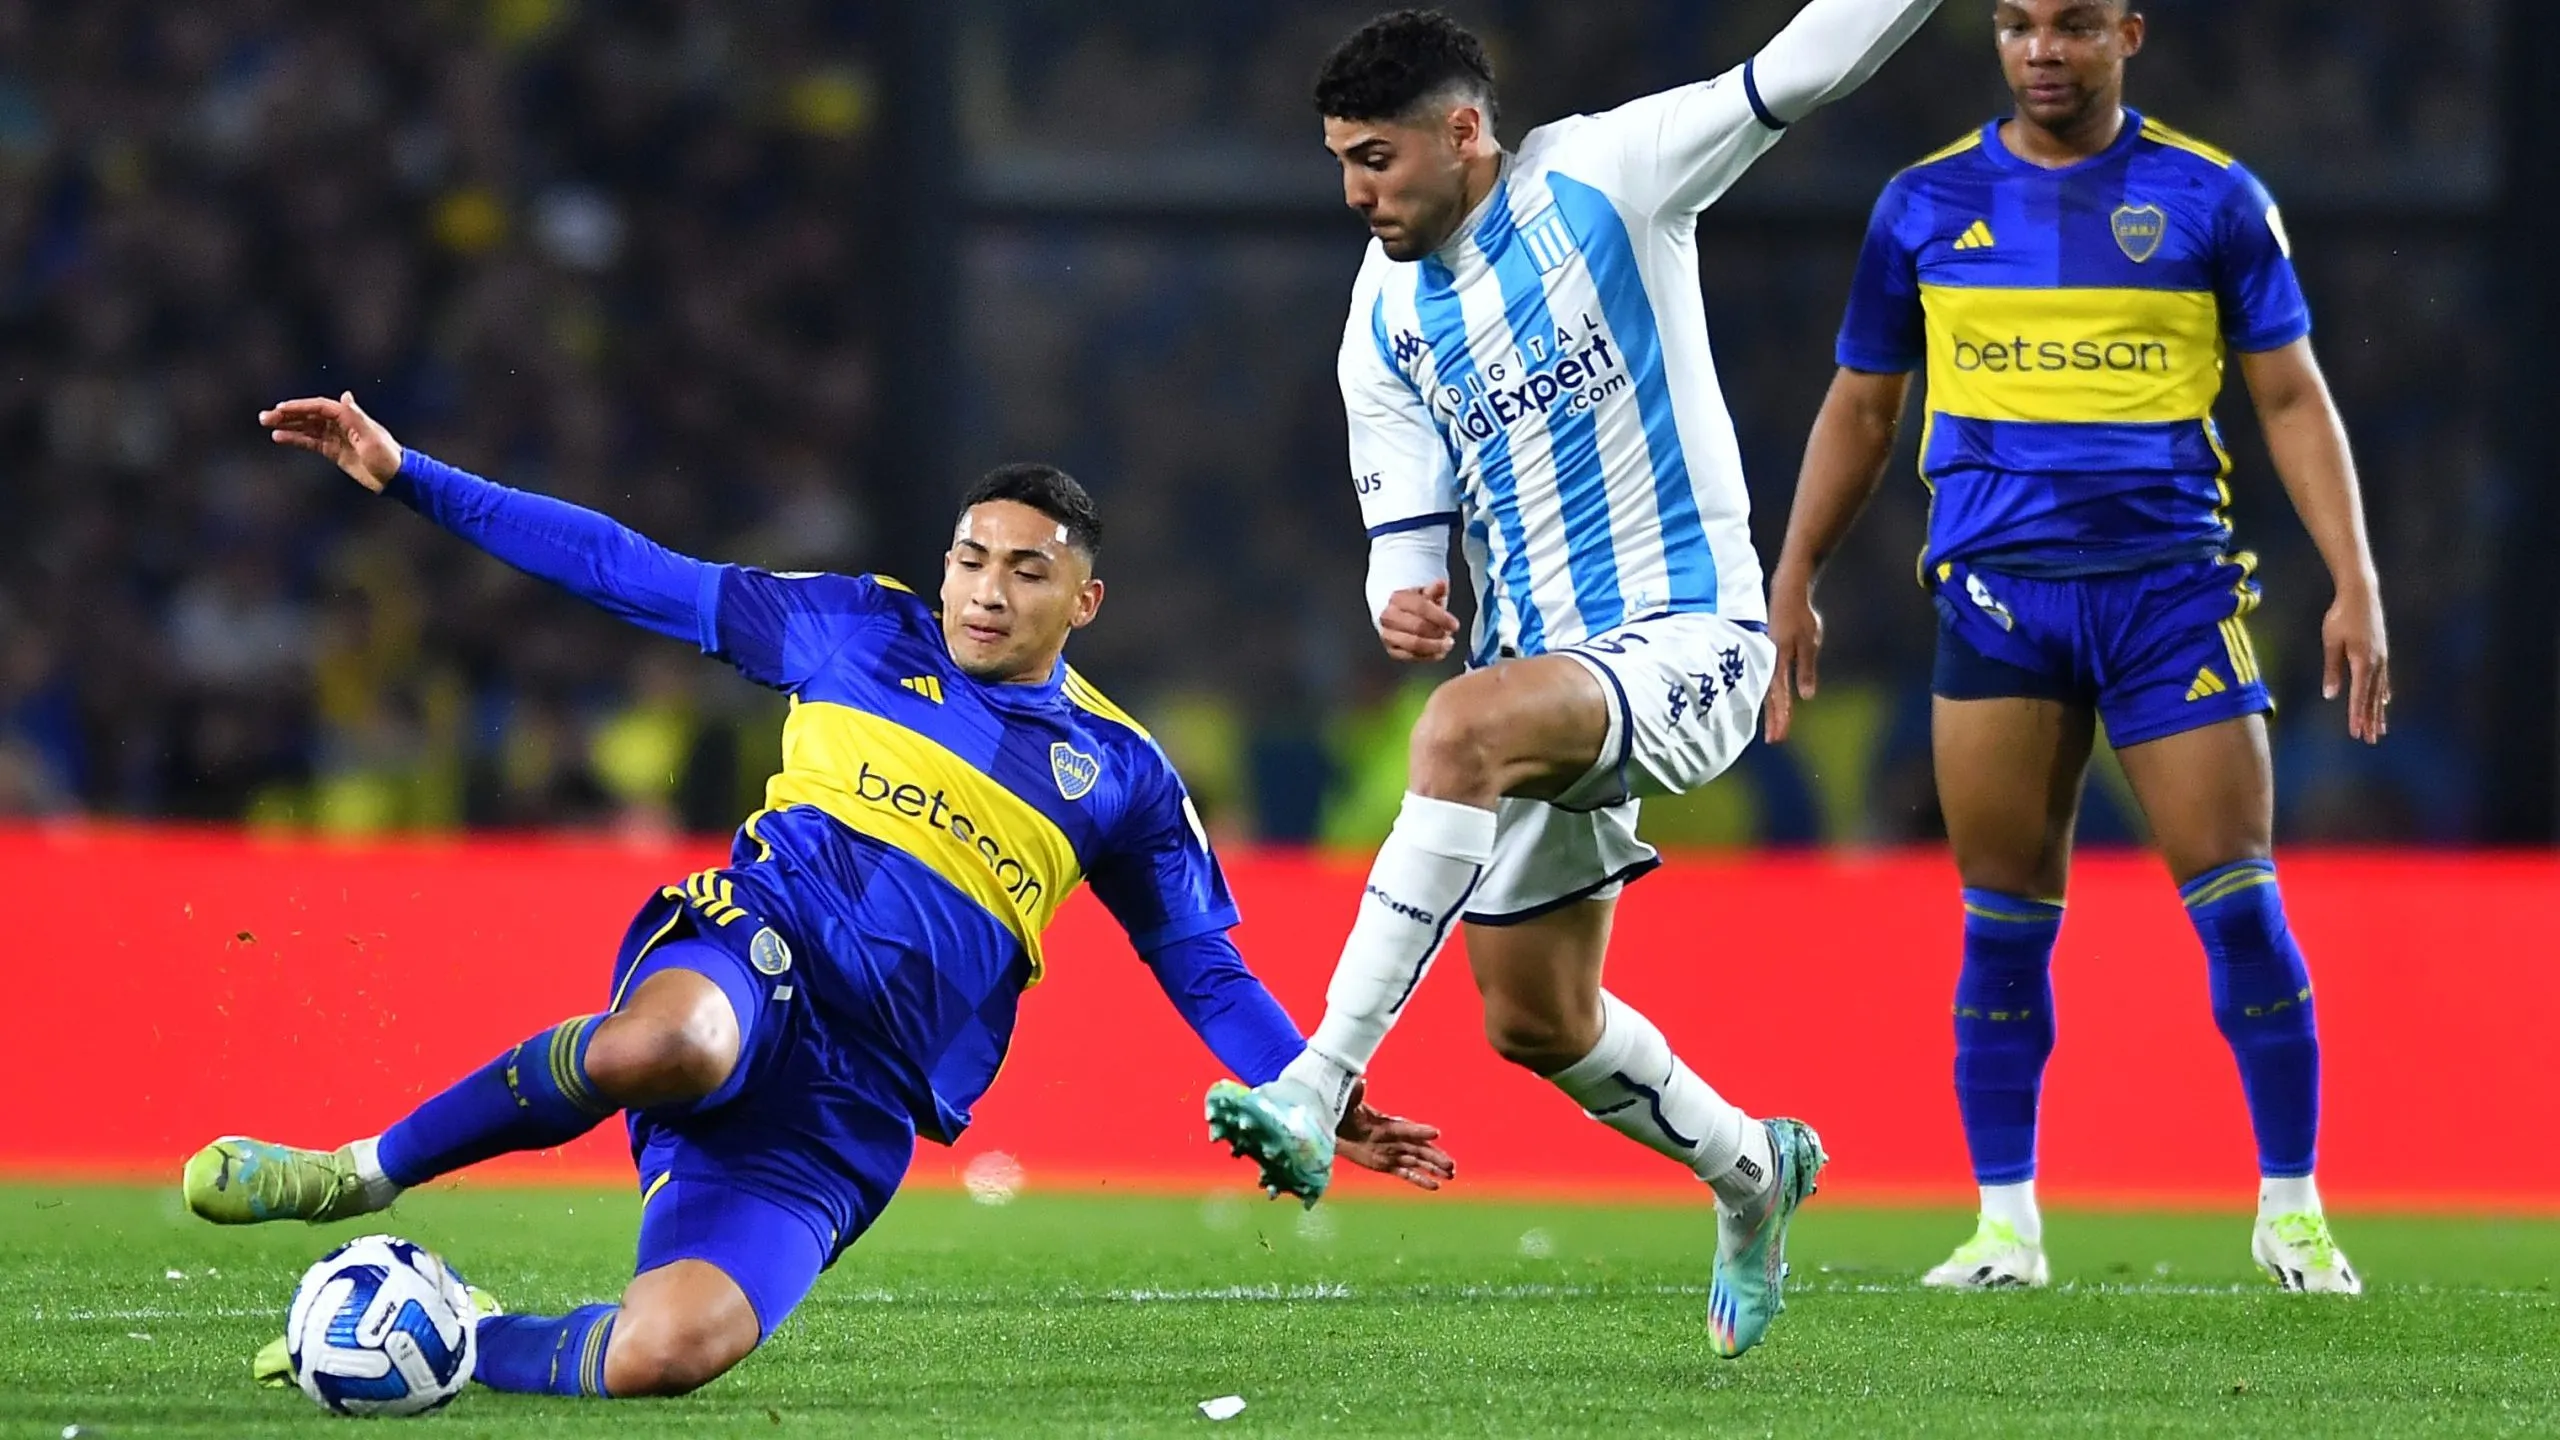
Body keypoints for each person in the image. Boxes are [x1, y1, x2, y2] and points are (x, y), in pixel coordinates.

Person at [183, 392, 1456, 1398]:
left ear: (1085, 599)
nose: (984, 590)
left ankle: (428, 1346)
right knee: (672, 1042)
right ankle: (360, 1173)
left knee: (668, 1352)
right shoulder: (856, 629)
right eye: (968, 559)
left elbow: (1204, 967)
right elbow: (628, 568)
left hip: (865, 1093)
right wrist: (411, 477)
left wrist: (1315, 1088)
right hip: (762, 949)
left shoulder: (1122, 775)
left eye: (1023, 570)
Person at [1204, 1, 1941, 1359]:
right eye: (1340, 161)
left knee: (1461, 727)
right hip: (1543, 681)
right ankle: (1754, 1173)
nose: (1356, 191)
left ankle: (1318, 1079)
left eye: (1376, 158)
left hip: (1693, 640)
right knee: (1537, 1021)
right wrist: (1401, 601)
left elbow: (1806, 68)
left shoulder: (1616, 172)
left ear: (1466, 132)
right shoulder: (1383, 316)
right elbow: (1403, 535)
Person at [1762, 0, 2387, 1294]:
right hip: (1998, 604)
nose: (2043, 50)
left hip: (2171, 596)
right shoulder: (1922, 206)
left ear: (2129, 37)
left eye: (2074, 27)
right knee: (2001, 927)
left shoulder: (2212, 198)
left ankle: (2292, 1207)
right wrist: (1795, 573)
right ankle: (2004, 1225)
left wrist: (2355, 578)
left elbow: (2288, 393)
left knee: (2243, 909)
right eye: (2018, 26)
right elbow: (1864, 407)